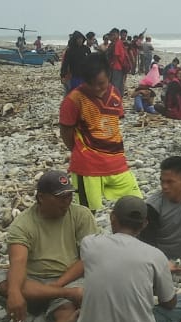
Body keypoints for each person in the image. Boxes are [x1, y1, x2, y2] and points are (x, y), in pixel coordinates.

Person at [73, 197, 181, 322]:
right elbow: (169, 303)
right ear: (144, 224)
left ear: (112, 218)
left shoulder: (89, 244)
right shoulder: (154, 255)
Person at [0, 171, 98, 322]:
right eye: (60, 198)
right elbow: (18, 262)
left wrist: (59, 284)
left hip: (69, 277)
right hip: (34, 281)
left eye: (69, 196)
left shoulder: (81, 215)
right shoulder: (23, 224)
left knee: (67, 304)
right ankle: (51, 311)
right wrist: (15, 293)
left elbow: (88, 258)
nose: (66, 202)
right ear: (42, 198)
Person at [59, 54, 143, 210]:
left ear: (109, 75)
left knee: (136, 205)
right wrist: (80, 150)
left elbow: (114, 123)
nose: (97, 88)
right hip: (88, 165)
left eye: (101, 83)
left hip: (117, 161)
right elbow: (65, 131)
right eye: (91, 84)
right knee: (88, 213)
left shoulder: (115, 93)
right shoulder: (73, 100)